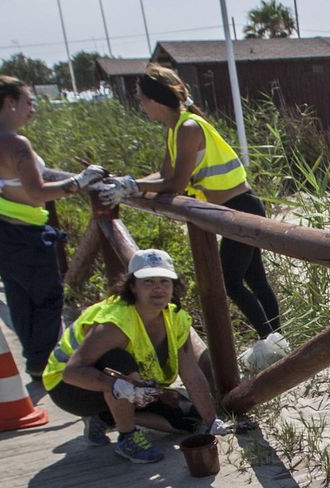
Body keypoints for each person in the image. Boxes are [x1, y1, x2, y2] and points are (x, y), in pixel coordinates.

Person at [97, 64, 284, 346]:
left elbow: (174, 184)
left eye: (141, 99)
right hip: (234, 208)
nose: (141, 106)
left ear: (155, 99)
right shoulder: (175, 129)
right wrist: (128, 184)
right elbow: (162, 175)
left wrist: (133, 186)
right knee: (253, 276)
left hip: (241, 208)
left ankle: (270, 341)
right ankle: (278, 340)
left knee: (232, 281)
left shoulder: (187, 127)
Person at [0, 75, 105, 379]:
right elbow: (37, 192)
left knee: (19, 297)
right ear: (10, 103)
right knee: (47, 297)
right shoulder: (17, 143)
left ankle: (34, 360)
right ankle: (45, 363)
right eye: (28, 102)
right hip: (27, 231)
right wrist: (79, 182)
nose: (32, 109)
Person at [42, 248, 231, 463]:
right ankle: (127, 438)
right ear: (132, 286)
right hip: (69, 388)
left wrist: (211, 420)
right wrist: (116, 386)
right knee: (118, 359)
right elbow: (72, 372)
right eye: (148, 282)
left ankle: (105, 417)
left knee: (188, 420)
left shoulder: (176, 317)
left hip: (124, 382)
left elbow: (191, 373)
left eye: (164, 281)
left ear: (174, 286)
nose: (158, 288)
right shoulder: (116, 321)